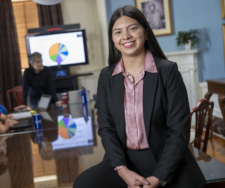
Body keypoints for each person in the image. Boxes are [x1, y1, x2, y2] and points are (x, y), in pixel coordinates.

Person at [73, 5, 205, 188]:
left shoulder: (168, 71)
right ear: (113, 39)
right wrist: (123, 171)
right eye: (117, 32)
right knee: (84, 184)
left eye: (132, 28)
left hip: (166, 160)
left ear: (146, 33)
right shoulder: (106, 76)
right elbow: (106, 128)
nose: (125, 36)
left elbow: (179, 131)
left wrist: (158, 177)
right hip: (124, 161)